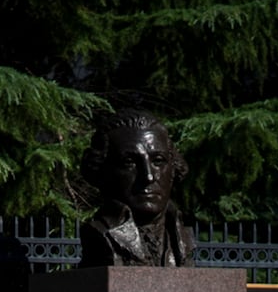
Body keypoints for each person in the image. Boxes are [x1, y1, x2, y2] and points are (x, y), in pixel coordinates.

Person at [78, 108, 197, 268]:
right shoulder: (99, 234)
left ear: (174, 169)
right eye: (129, 163)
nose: (148, 176)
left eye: (158, 161)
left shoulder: (182, 239)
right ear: (102, 170)